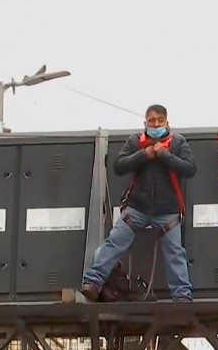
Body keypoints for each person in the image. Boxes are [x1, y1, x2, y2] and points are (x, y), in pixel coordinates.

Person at [80, 104, 197, 303]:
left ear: (167, 122)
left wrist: (164, 155)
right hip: (137, 209)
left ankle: (182, 298)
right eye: (152, 121)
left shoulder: (178, 142)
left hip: (167, 211)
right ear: (145, 122)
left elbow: (189, 169)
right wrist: (145, 154)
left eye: (160, 121)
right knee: (114, 242)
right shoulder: (136, 141)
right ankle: (92, 282)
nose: (156, 124)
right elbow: (119, 165)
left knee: (176, 253)